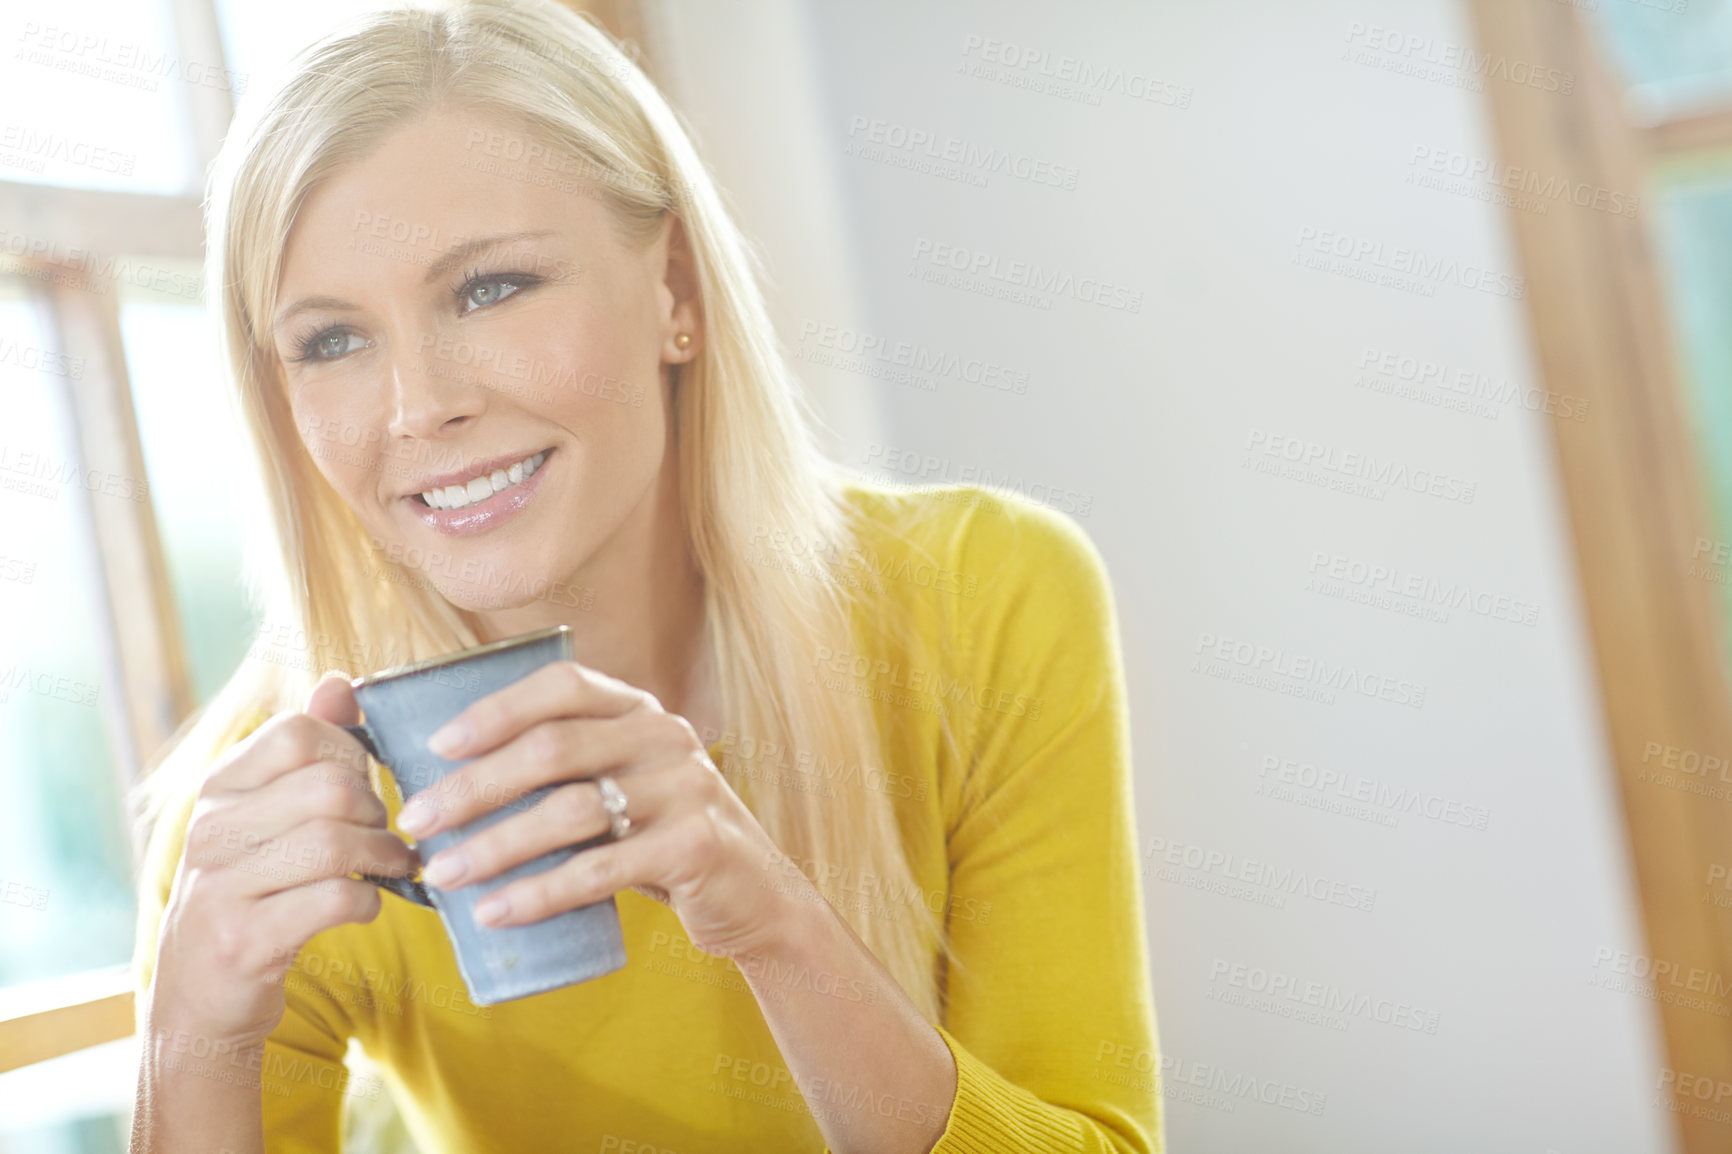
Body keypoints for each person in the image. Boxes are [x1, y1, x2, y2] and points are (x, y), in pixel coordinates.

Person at [128, 1, 1161, 1150]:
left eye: (490, 288)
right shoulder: (285, 820)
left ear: (672, 286)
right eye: (331, 340)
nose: (421, 407)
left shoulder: (984, 598)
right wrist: (190, 1039)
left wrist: (767, 914)